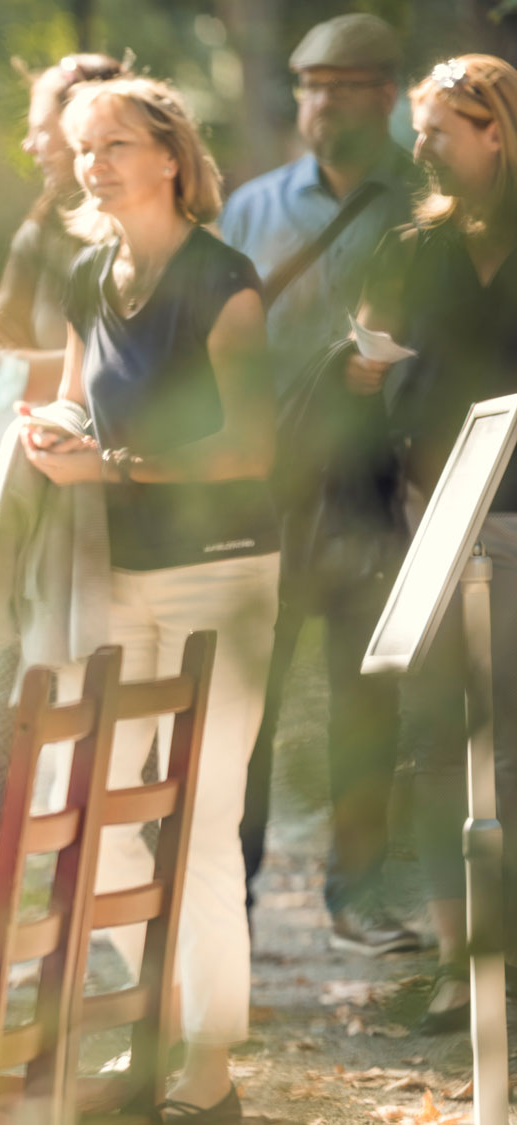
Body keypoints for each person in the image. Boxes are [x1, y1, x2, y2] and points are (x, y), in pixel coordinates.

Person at [24, 76, 277, 1120]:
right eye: (84, 147)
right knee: (90, 811)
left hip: (221, 571)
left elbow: (248, 447)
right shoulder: (88, 272)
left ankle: (207, 1075)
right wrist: (50, 431)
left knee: (203, 824)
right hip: (111, 576)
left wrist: (112, 468)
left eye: (116, 143)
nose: (94, 164)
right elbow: (80, 399)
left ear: (169, 157)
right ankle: (141, 1030)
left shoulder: (224, 278)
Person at [219, 13, 422, 955]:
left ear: (387, 94)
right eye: (308, 87)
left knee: (365, 693)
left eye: (340, 86)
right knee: (248, 698)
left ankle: (360, 895)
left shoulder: (425, 199)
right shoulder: (253, 209)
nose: (319, 104)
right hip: (271, 487)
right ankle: (235, 896)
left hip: (388, 485)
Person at [351, 53, 517, 1033]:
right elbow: (370, 362)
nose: (418, 148)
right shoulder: (407, 246)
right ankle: (461, 967)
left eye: (437, 130)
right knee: (431, 746)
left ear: (493, 131)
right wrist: (360, 370)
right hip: (434, 522)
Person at [0, 53, 126, 410]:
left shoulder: (149, 238)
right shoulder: (40, 232)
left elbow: (151, 376)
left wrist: (26, 372)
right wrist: (91, 367)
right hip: (51, 447)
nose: (28, 145)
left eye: (41, 130)